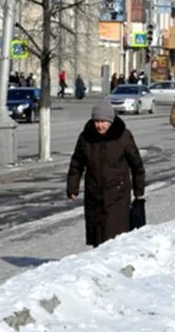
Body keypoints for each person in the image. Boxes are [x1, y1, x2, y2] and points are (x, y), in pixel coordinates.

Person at [67, 101, 145, 248]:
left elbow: (137, 166)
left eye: (103, 121)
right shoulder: (86, 138)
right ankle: (100, 269)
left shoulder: (123, 137)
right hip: (94, 195)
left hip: (118, 195)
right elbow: (77, 164)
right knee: (97, 238)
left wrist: (138, 191)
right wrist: (73, 187)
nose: (99, 125)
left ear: (110, 121)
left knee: (114, 238)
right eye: (96, 121)